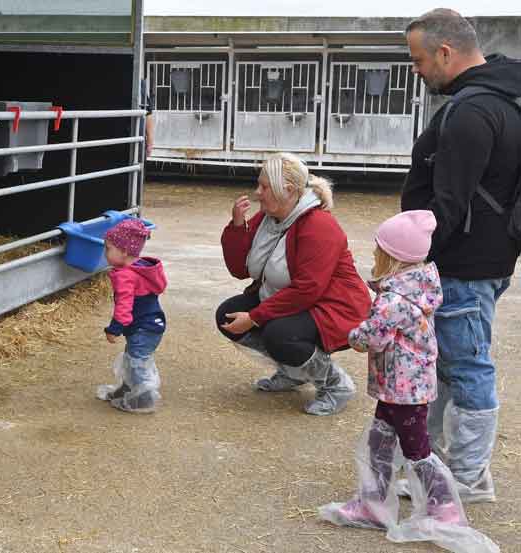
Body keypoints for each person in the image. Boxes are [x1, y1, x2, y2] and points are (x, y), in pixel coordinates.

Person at [320, 211, 499, 553]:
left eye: (378, 252)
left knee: (417, 450)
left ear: (393, 258)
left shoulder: (394, 300)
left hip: (404, 389)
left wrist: (354, 334)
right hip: (399, 386)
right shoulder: (417, 286)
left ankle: (443, 510)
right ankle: (373, 502)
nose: (373, 257)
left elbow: (371, 335)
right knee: (380, 441)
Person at [401, 8, 521, 503]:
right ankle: (443, 468)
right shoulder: (504, 98)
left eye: (418, 59)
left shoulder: (473, 109)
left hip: (463, 266)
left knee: (467, 367)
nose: (417, 70)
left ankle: (468, 478)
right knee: (448, 364)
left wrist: (412, 258)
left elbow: (448, 204)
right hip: (483, 258)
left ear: (445, 52)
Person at [215, 153, 370, 416]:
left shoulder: (319, 225)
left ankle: (335, 384)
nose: (257, 193)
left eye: (264, 187)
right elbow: (240, 269)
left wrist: (254, 317)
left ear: (286, 190)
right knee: (226, 315)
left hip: (334, 305)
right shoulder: (268, 217)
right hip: (294, 295)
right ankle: (294, 371)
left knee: (280, 334)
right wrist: (237, 227)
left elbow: (308, 288)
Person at [95, 218, 167, 414]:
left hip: (144, 327)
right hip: (150, 325)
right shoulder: (142, 268)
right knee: (132, 359)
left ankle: (144, 399)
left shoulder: (126, 275)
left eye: (108, 248)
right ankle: (128, 390)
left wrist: (114, 330)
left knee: (137, 363)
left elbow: (124, 308)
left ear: (124, 251)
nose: (105, 253)